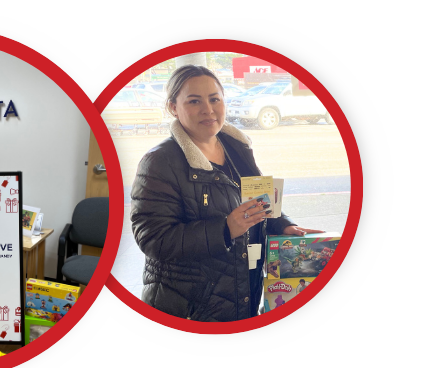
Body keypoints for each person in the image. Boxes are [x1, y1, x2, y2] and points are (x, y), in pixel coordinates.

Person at [131, 65, 323, 322]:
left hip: (242, 293)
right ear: (173, 107)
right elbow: (153, 238)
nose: (208, 109)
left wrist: (283, 225)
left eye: (214, 99)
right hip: (190, 307)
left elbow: (257, 201)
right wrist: (224, 229)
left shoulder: (237, 147)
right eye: (194, 101)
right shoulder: (159, 161)